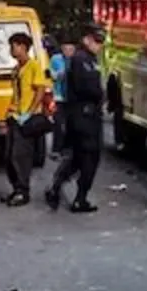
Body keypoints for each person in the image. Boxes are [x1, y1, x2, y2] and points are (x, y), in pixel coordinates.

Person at [46, 25, 106, 213]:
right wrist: (99, 95)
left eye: (101, 42)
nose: (99, 45)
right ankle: (80, 198)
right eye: (96, 41)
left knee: (80, 158)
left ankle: (57, 187)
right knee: (89, 158)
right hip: (83, 116)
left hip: (86, 116)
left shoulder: (88, 59)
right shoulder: (81, 60)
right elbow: (84, 87)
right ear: (86, 39)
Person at [1, 32, 49, 207]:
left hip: (26, 118)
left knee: (20, 156)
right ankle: (15, 188)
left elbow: (40, 90)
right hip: (14, 116)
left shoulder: (33, 66)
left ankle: (23, 191)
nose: (11, 50)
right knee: (8, 156)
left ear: (22, 47)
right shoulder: (16, 69)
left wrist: (28, 113)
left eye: (13, 46)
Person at [48, 36, 75, 161]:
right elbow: (51, 75)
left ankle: (68, 149)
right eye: (66, 49)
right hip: (59, 96)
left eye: (71, 49)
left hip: (72, 97)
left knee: (71, 124)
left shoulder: (77, 60)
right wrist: (62, 72)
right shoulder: (56, 59)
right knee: (58, 124)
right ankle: (56, 150)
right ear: (62, 49)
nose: (68, 51)